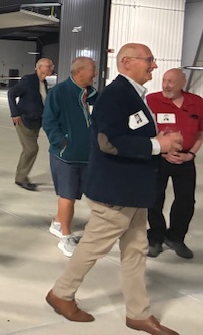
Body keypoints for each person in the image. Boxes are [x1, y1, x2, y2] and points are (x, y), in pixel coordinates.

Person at [46, 43, 183, 335]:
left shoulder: (133, 94)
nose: (154, 65)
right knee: (94, 246)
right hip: (116, 191)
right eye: (149, 60)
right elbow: (107, 141)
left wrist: (159, 141)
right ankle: (61, 294)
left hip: (132, 190)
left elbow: (128, 134)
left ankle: (138, 314)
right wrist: (157, 145)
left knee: (135, 251)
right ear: (128, 63)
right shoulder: (116, 95)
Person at [42, 57, 98, 257]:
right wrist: (63, 143)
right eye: (92, 69)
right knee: (67, 197)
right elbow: (48, 121)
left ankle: (58, 223)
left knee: (74, 195)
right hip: (66, 156)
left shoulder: (90, 93)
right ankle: (66, 237)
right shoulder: (59, 92)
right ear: (79, 71)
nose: (95, 73)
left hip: (86, 154)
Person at [146, 68, 203, 259]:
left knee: (186, 201)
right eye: (164, 80)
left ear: (182, 83)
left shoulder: (196, 102)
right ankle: (155, 238)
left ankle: (175, 237)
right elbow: (144, 131)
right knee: (154, 199)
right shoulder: (151, 100)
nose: (166, 85)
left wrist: (191, 155)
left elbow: (200, 133)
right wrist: (162, 150)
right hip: (159, 157)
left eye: (171, 82)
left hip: (185, 159)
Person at [7, 58, 55, 191]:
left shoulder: (44, 83)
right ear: (39, 67)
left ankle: (22, 176)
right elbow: (11, 93)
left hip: (36, 121)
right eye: (49, 66)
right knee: (31, 149)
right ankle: (21, 178)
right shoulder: (28, 80)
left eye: (52, 66)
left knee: (29, 149)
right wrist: (14, 113)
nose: (51, 68)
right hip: (24, 120)